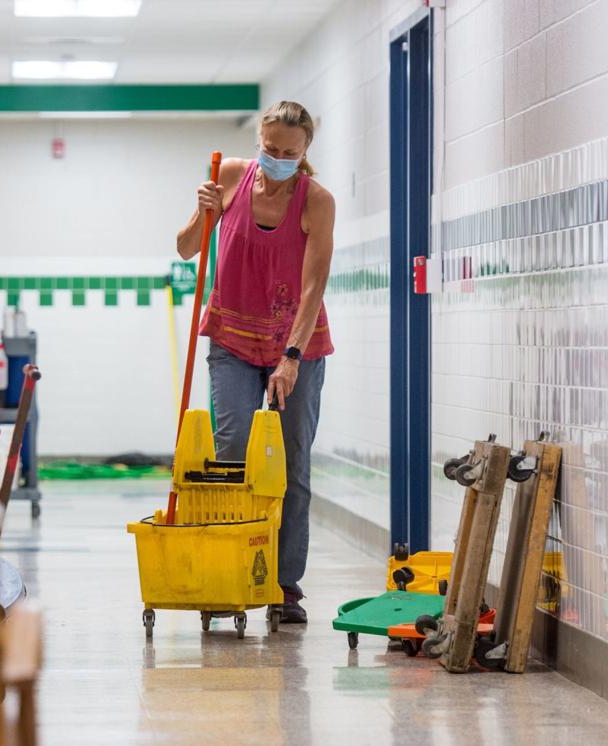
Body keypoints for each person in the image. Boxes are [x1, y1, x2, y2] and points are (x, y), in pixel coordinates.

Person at [175, 100, 335, 623]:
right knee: (231, 455)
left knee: (291, 462)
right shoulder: (230, 176)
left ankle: (284, 585)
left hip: (297, 342)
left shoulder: (317, 201)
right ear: (258, 142)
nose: (278, 159)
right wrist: (204, 213)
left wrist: (290, 358)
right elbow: (185, 250)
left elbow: (313, 287)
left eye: (290, 152)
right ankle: (229, 573)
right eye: (270, 149)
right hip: (233, 340)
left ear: (305, 150)